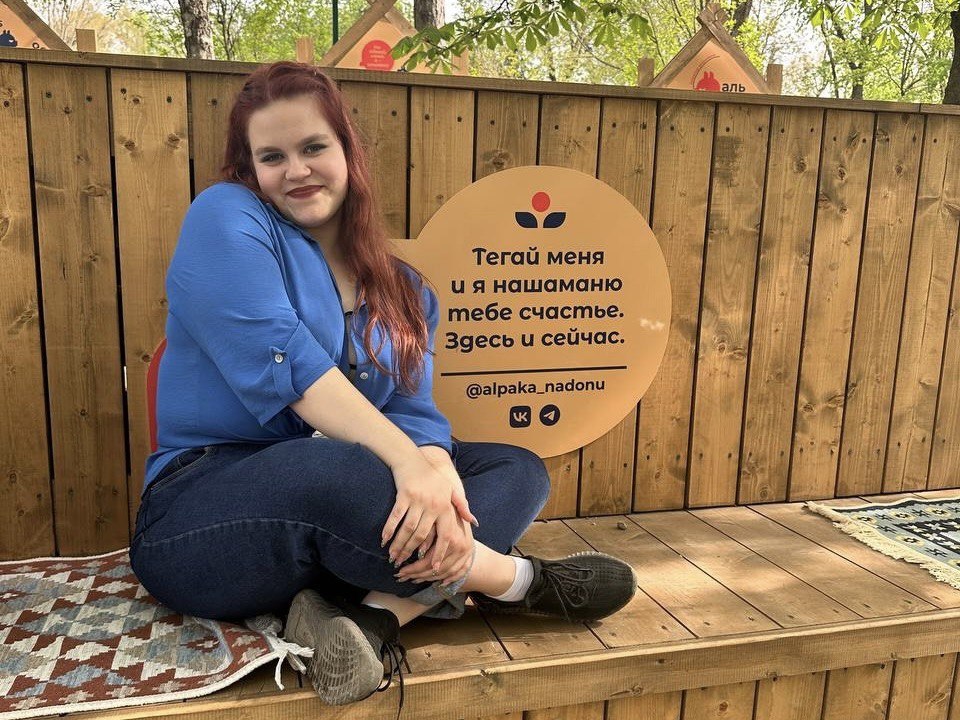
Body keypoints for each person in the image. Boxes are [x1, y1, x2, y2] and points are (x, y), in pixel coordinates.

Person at [129, 61, 637, 708]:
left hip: (335, 508)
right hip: (202, 518)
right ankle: (518, 582)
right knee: (336, 469)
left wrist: (431, 462)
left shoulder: (404, 289)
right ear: (249, 169)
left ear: (348, 152)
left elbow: (413, 410)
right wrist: (408, 463)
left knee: (513, 469)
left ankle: (371, 617)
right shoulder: (224, 218)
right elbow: (290, 369)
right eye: (272, 156)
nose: (297, 170)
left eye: (314, 147)